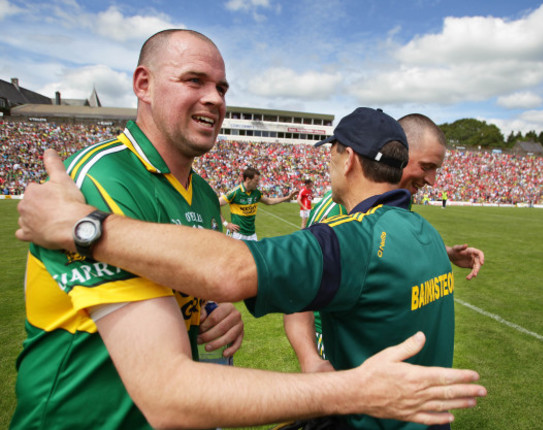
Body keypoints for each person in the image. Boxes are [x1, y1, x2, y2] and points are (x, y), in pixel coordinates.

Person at [16, 109, 488, 429]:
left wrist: (84, 226)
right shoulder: (423, 235)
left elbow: (232, 269)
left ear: (344, 158)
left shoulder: (352, 238)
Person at [9, 29, 247, 429]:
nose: (215, 98)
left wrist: (212, 309)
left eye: (221, 87)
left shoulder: (204, 195)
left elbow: (173, 288)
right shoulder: (101, 177)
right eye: (195, 80)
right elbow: (168, 390)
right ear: (143, 84)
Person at [284, 113, 485, 372]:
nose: (432, 180)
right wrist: (311, 359)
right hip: (340, 340)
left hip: (383, 337)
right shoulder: (334, 208)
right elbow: (299, 287)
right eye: (426, 166)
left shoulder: (398, 204)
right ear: (400, 152)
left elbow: (382, 249)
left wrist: (443, 252)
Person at [220, 166, 297, 241]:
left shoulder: (256, 193)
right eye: (256, 180)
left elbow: (269, 201)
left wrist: (287, 198)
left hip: (252, 235)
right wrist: (226, 224)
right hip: (237, 234)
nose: (258, 183)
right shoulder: (235, 192)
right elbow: (215, 204)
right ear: (247, 179)